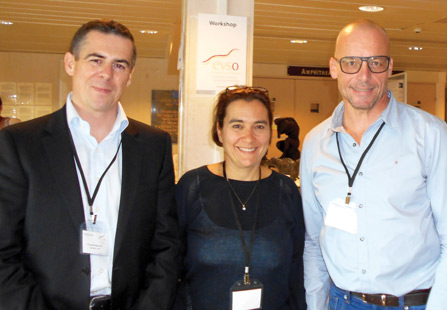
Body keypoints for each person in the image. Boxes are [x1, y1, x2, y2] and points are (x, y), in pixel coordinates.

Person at [0, 19, 180, 309]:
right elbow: (4, 251)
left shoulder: (153, 145)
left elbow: (166, 246)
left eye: (119, 65)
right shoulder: (19, 144)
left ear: (130, 75)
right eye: (96, 60)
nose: (106, 74)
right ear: (70, 63)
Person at [300, 19, 447, 310]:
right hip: (341, 301)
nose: (364, 75)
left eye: (375, 62)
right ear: (333, 68)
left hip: (412, 303)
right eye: (351, 62)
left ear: (390, 67)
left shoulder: (429, 133)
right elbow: (314, 241)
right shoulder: (315, 142)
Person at [175, 86, 306, 309]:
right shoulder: (192, 187)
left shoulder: (287, 191)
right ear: (219, 131)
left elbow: (296, 274)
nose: (249, 137)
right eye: (237, 126)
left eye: (259, 126)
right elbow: (169, 268)